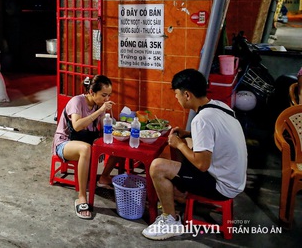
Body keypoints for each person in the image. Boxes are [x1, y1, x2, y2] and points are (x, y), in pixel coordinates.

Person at [141, 69, 247, 240]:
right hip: (235, 177)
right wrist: (188, 134)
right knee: (179, 143)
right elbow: (216, 136)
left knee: (157, 167)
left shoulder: (202, 119)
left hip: (222, 186)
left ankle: (171, 220)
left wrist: (181, 145)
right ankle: (181, 191)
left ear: (187, 95)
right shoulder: (219, 106)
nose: (176, 98)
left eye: (177, 94)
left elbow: (202, 165)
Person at [52, 75, 123, 219]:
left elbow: (104, 126)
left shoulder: (100, 105)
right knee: (85, 149)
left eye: (109, 95)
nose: (106, 99)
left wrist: (115, 126)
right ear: (92, 92)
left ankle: (103, 178)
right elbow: (77, 126)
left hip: (86, 142)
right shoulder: (77, 102)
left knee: (118, 143)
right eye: (103, 95)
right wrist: (100, 110)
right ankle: (82, 196)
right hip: (65, 143)